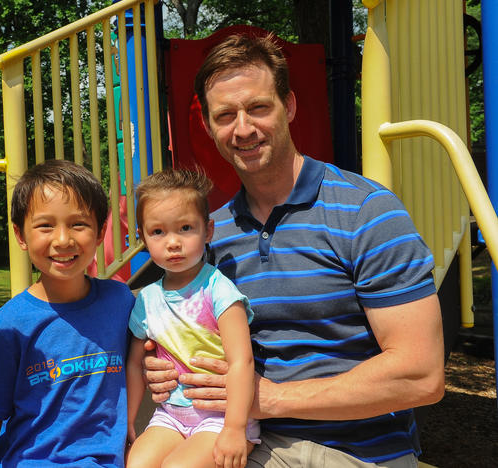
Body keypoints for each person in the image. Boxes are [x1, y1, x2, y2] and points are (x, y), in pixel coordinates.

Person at [143, 33, 445, 467]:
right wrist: (167, 366)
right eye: (225, 115)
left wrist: (272, 399)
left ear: (290, 106)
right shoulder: (211, 234)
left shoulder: (365, 213)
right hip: (243, 441)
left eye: (258, 108)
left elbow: (422, 375)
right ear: (208, 128)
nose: (243, 128)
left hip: (357, 451)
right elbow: (195, 331)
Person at [0, 159, 136, 467]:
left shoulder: (121, 303)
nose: (62, 240)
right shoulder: (10, 325)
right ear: (20, 235)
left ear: (100, 233)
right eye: (45, 226)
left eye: (78, 224)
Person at [125, 169, 259, 468]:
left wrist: (235, 429)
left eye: (185, 228)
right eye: (158, 232)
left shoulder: (218, 290)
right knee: (136, 464)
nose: (172, 242)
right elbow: (135, 364)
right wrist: (129, 420)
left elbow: (242, 361)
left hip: (221, 417)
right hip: (170, 415)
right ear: (143, 238)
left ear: (208, 230)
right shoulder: (146, 299)